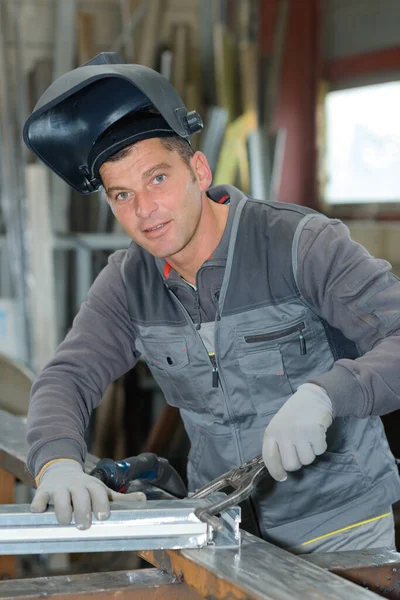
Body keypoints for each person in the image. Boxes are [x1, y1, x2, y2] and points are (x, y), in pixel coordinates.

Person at [24, 53, 400, 553]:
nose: (144, 211)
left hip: (343, 529)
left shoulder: (298, 244)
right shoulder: (128, 281)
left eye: (157, 178)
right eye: (122, 195)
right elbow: (66, 377)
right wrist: (57, 462)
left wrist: (328, 395)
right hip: (223, 531)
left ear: (198, 170)